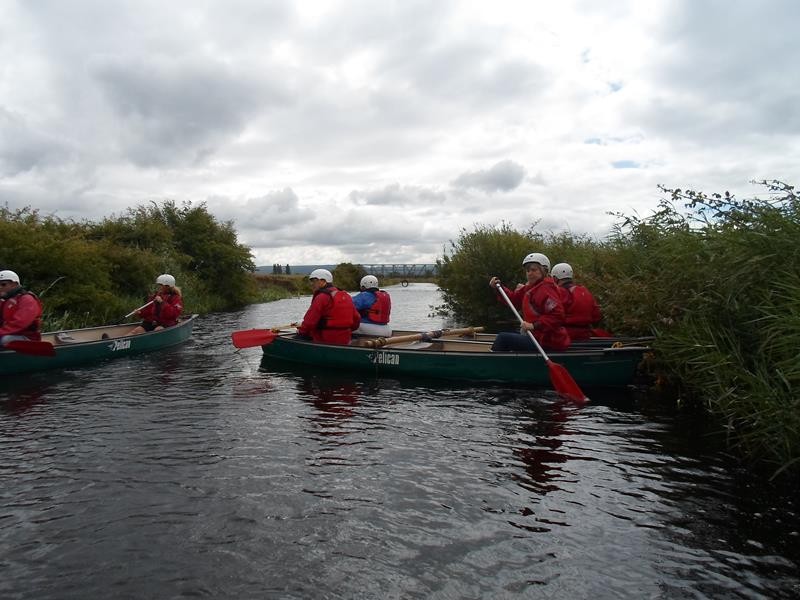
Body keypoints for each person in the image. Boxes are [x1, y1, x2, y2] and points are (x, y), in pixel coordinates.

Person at [488, 252, 571, 352]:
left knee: (503, 338)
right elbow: (513, 301)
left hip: (547, 342)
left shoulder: (546, 289)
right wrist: (499, 288)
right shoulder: (530, 288)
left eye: (534, 270)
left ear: (544, 271)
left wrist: (534, 325)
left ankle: (495, 365)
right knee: (510, 335)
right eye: (527, 270)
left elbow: (557, 315)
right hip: (536, 337)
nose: (530, 273)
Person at [296, 269, 361, 345]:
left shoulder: (321, 297)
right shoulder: (346, 296)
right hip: (345, 338)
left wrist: (301, 332)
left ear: (323, 281)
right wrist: (346, 330)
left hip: (325, 338)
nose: (312, 284)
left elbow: (310, 321)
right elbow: (357, 318)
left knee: (302, 335)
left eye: (315, 281)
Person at [550, 262, 608, 340]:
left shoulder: (558, 292)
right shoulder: (584, 291)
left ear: (555, 279)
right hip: (586, 334)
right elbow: (596, 316)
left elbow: (552, 317)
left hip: (566, 334)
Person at [0, 269, 44, 346]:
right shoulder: (5, 300)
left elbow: (20, 322)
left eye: (3, 284)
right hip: (10, 334)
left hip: (28, 338)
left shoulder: (27, 299)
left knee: (5, 340)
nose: (0, 287)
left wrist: (1, 332)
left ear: (15, 284)